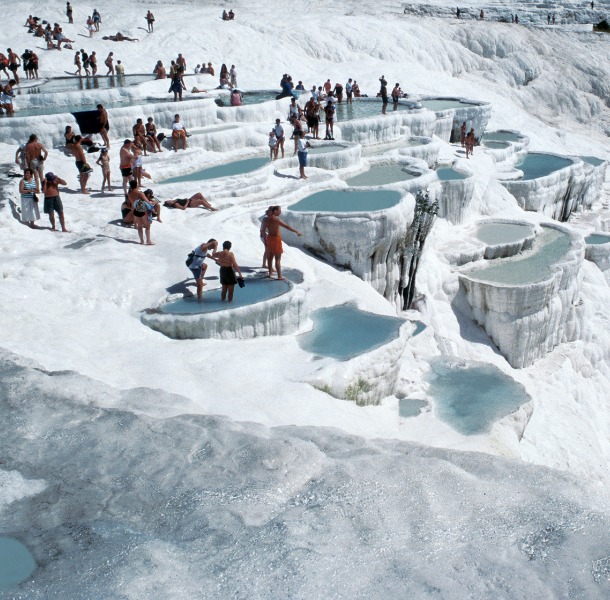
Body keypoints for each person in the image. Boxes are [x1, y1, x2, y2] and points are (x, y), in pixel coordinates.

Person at [263, 205, 302, 280]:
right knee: (278, 258)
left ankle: (270, 273)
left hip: (269, 238)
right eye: (279, 211)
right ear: (275, 211)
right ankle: (279, 276)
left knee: (270, 257)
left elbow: (263, 231)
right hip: (276, 239)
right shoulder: (277, 220)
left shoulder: (266, 220)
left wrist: (265, 241)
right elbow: (287, 226)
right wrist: (296, 231)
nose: (280, 212)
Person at [127, 180, 154, 245]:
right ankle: (148, 240)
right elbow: (147, 201)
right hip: (143, 211)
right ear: (136, 184)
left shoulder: (129, 194)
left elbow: (133, 203)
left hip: (136, 211)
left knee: (139, 226)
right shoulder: (140, 193)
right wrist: (152, 203)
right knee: (147, 226)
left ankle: (141, 241)